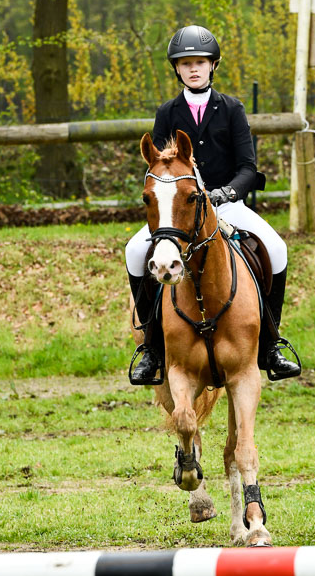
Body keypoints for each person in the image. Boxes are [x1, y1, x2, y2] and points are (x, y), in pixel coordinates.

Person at [125, 24, 301, 384]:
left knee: (278, 249)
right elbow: (160, 165)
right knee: (133, 251)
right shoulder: (167, 112)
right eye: (186, 62)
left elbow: (248, 168)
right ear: (176, 68)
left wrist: (223, 194)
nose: (193, 69)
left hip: (225, 202)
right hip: (180, 210)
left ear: (213, 65)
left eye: (200, 62)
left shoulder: (232, 109)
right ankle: (152, 349)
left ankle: (271, 343)